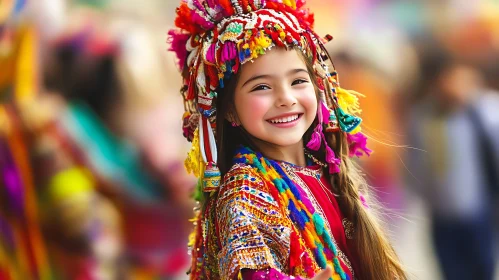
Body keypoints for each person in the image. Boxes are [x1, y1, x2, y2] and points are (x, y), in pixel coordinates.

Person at [168, 1, 407, 279]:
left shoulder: (326, 169)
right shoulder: (244, 188)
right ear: (230, 109)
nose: (286, 99)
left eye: (297, 81)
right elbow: (251, 269)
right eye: (262, 87)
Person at [406, 55, 498, 280]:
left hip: (480, 213)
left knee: (483, 269)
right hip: (442, 216)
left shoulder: (485, 112)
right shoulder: (423, 117)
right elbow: (415, 163)